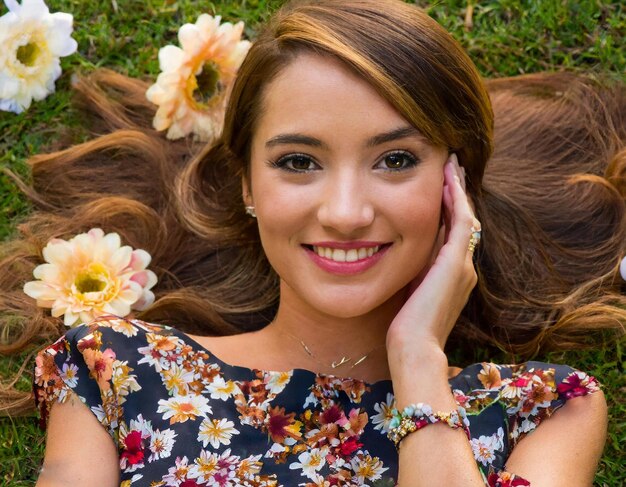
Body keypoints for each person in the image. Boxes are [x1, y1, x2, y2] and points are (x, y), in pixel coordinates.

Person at [1, 0, 624, 485]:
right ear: (247, 184)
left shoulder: (542, 410)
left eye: (395, 159)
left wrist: (416, 360)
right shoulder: (118, 371)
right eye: (299, 162)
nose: (346, 213)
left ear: (455, 185)